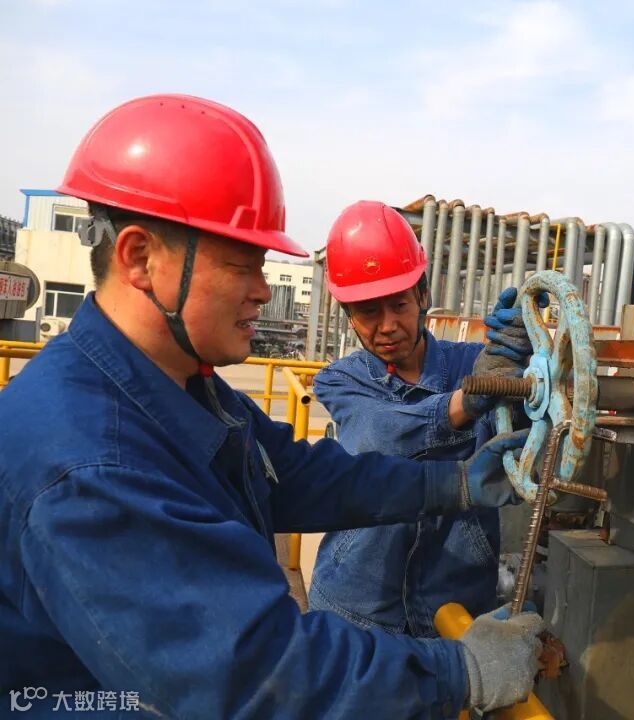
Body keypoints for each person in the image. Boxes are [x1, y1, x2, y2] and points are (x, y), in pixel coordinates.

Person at [0, 94, 542, 718]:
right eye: (242, 266)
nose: (263, 291)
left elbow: (301, 476)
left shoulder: (182, 387)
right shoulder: (90, 460)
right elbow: (252, 672)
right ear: (140, 258)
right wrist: (461, 671)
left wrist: (456, 484)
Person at [308, 200, 532, 639]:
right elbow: (378, 434)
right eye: (368, 312)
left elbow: (524, 446)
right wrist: (469, 400)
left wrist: (526, 371)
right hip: (355, 607)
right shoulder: (339, 379)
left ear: (423, 296)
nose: (387, 325)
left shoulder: (477, 365)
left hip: (456, 608)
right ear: (349, 315)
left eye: (399, 304)